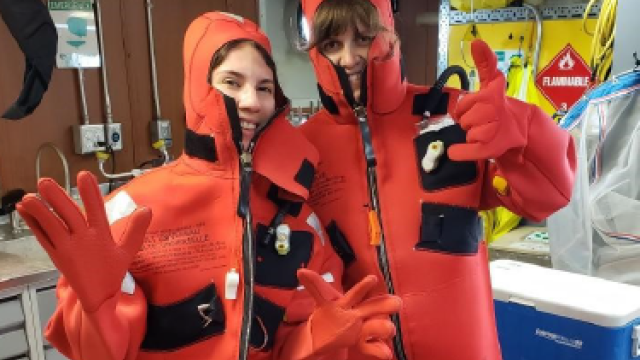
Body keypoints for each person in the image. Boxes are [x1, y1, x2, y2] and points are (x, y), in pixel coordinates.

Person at [16, 12, 401, 360]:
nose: (251, 101)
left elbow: (290, 347)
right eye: (232, 83)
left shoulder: (301, 223)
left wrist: (317, 338)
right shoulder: (130, 211)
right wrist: (95, 307)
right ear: (198, 89)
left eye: (265, 87)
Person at [298, 0, 577, 360]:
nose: (349, 59)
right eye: (332, 45)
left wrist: (524, 130)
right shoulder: (305, 149)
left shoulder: (458, 113)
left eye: (363, 38)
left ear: (388, 38)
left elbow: (549, 196)